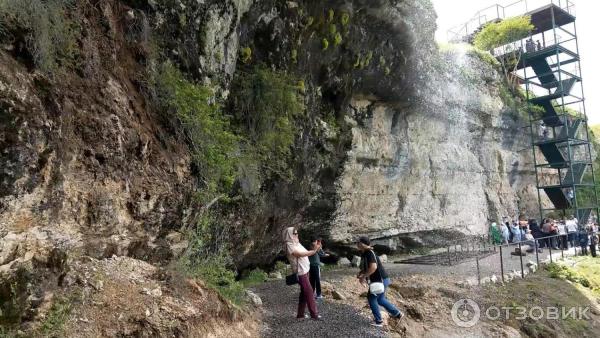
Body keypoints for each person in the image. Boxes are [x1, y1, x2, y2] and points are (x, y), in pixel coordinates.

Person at [356, 236, 403, 327]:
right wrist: (361, 273)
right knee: (380, 299)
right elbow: (368, 267)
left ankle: (379, 321)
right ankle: (398, 314)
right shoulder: (365, 253)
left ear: (362, 244)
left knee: (371, 298)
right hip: (382, 279)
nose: (357, 244)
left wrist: (363, 277)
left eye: (358, 242)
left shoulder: (369, 253)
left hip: (380, 280)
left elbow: (373, 267)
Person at [283, 227, 321, 320]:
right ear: (289, 235)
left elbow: (303, 252)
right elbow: (299, 254)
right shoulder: (289, 244)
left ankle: (300, 315)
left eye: (297, 233)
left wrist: (315, 249)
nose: (296, 235)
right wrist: (313, 251)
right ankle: (314, 315)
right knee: (309, 292)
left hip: (305, 270)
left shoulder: (296, 243)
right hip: (300, 272)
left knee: (304, 293)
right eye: (294, 233)